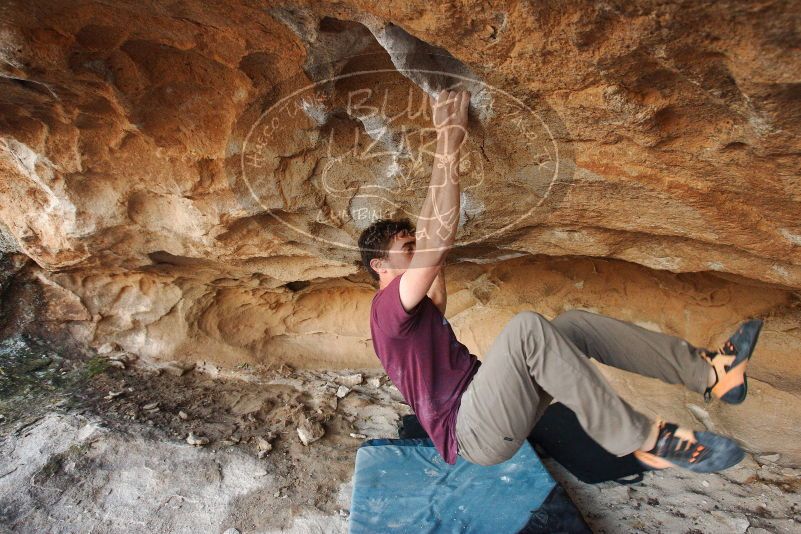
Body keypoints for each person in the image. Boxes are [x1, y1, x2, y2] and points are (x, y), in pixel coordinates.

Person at [358, 89, 760, 473]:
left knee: (572, 327)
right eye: (406, 249)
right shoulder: (386, 309)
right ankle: (643, 438)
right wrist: (449, 139)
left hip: (490, 409)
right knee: (526, 330)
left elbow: (432, 242)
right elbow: (435, 247)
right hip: (471, 431)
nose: (416, 255)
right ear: (379, 266)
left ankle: (713, 372)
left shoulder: (411, 314)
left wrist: (427, 220)